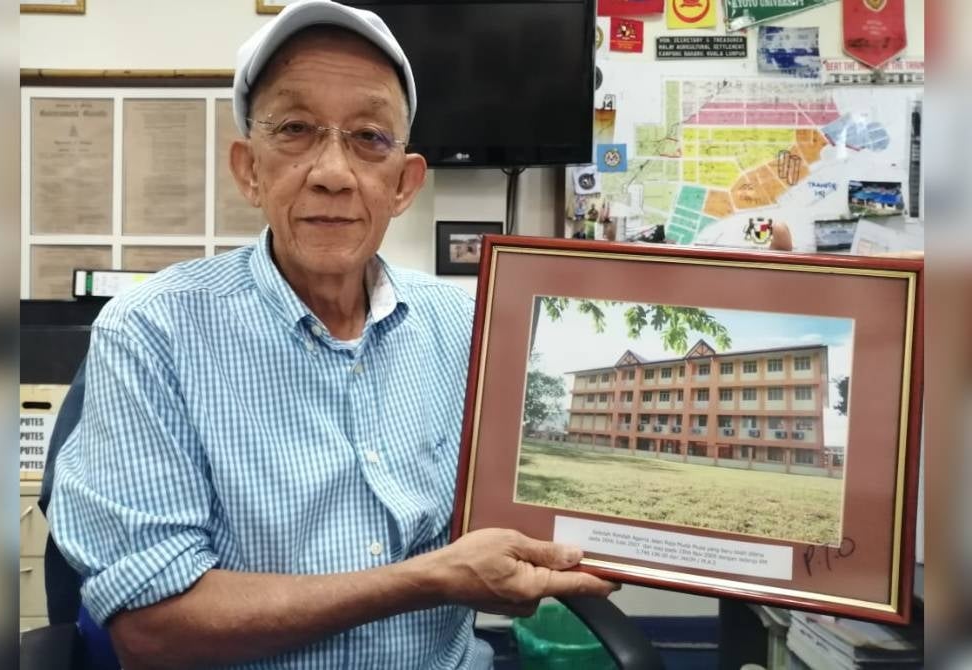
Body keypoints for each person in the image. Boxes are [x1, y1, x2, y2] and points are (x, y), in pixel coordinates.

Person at [46, 1, 617, 668]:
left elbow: (541, 500)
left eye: (370, 137)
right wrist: (427, 580)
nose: (333, 173)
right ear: (248, 169)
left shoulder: (463, 326)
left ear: (403, 184)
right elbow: (153, 629)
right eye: (295, 129)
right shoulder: (153, 332)